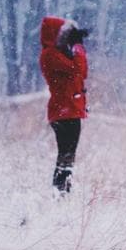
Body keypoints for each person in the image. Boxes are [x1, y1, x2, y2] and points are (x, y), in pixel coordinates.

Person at [39, 16, 89, 195]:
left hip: (69, 110)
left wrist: (75, 48)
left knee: (68, 155)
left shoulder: (59, 54)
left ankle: (62, 191)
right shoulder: (50, 55)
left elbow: (82, 73)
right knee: (66, 155)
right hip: (64, 111)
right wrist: (78, 47)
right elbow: (77, 69)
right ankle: (60, 192)